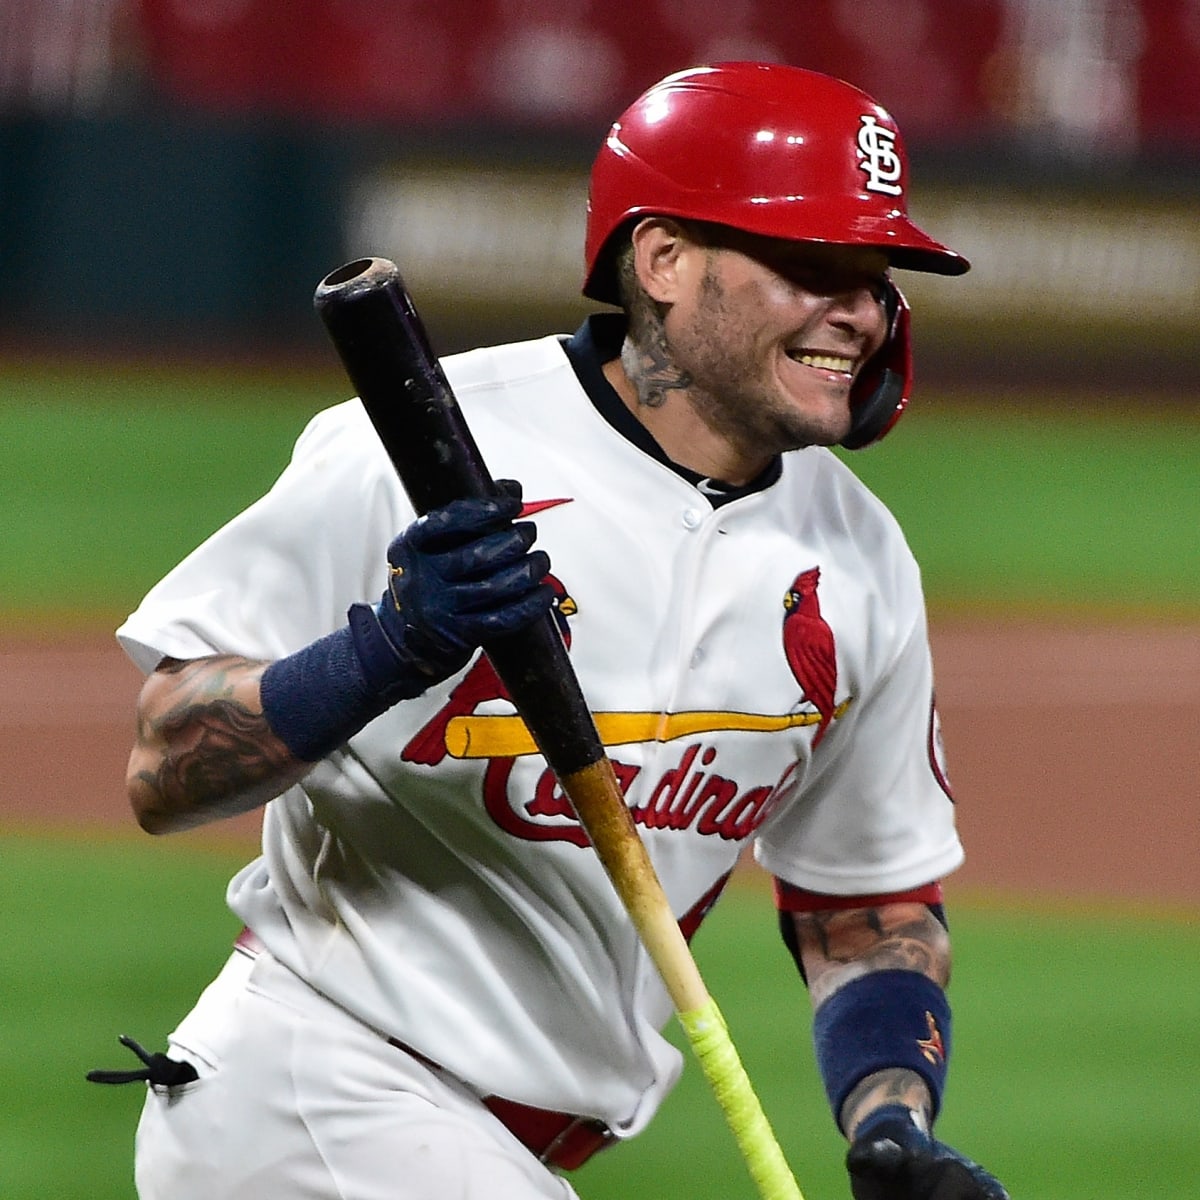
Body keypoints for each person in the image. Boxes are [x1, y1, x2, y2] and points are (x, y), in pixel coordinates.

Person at [103, 61, 1009, 1200]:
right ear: (664, 261)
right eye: (811, 266)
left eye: (873, 278)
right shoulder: (429, 452)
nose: (861, 312)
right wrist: (384, 650)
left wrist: (893, 1124)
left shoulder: (861, 555)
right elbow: (164, 765)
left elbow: (866, 910)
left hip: (484, 1151)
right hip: (315, 1091)